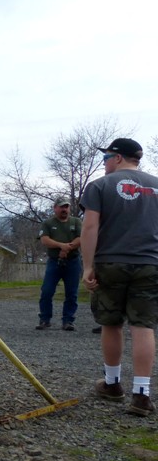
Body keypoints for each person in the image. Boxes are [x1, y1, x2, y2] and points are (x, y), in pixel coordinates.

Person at [80, 138, 156, 417]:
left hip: (110, 261)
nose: (104, 164)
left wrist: (88, 267)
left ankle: (112, 385)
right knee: (143, 326)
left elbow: (90, 227)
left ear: (118, 158)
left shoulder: (100, 186)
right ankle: (142, 394)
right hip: (150, 263)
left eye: (106, 159)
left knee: (111, 323)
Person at [36, 196, 82, 330]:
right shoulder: (48, 223)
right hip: (54, 261)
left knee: (72, 293)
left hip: (72, 261)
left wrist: (68, 248)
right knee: (47, 291)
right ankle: (45, 319)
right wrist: (61, 246)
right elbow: (45, 240)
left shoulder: (76, 222)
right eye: (61, 207)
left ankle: (68, 321)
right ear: (55, 208)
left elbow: (81, 237)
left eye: (66, 207)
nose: (64, 209)